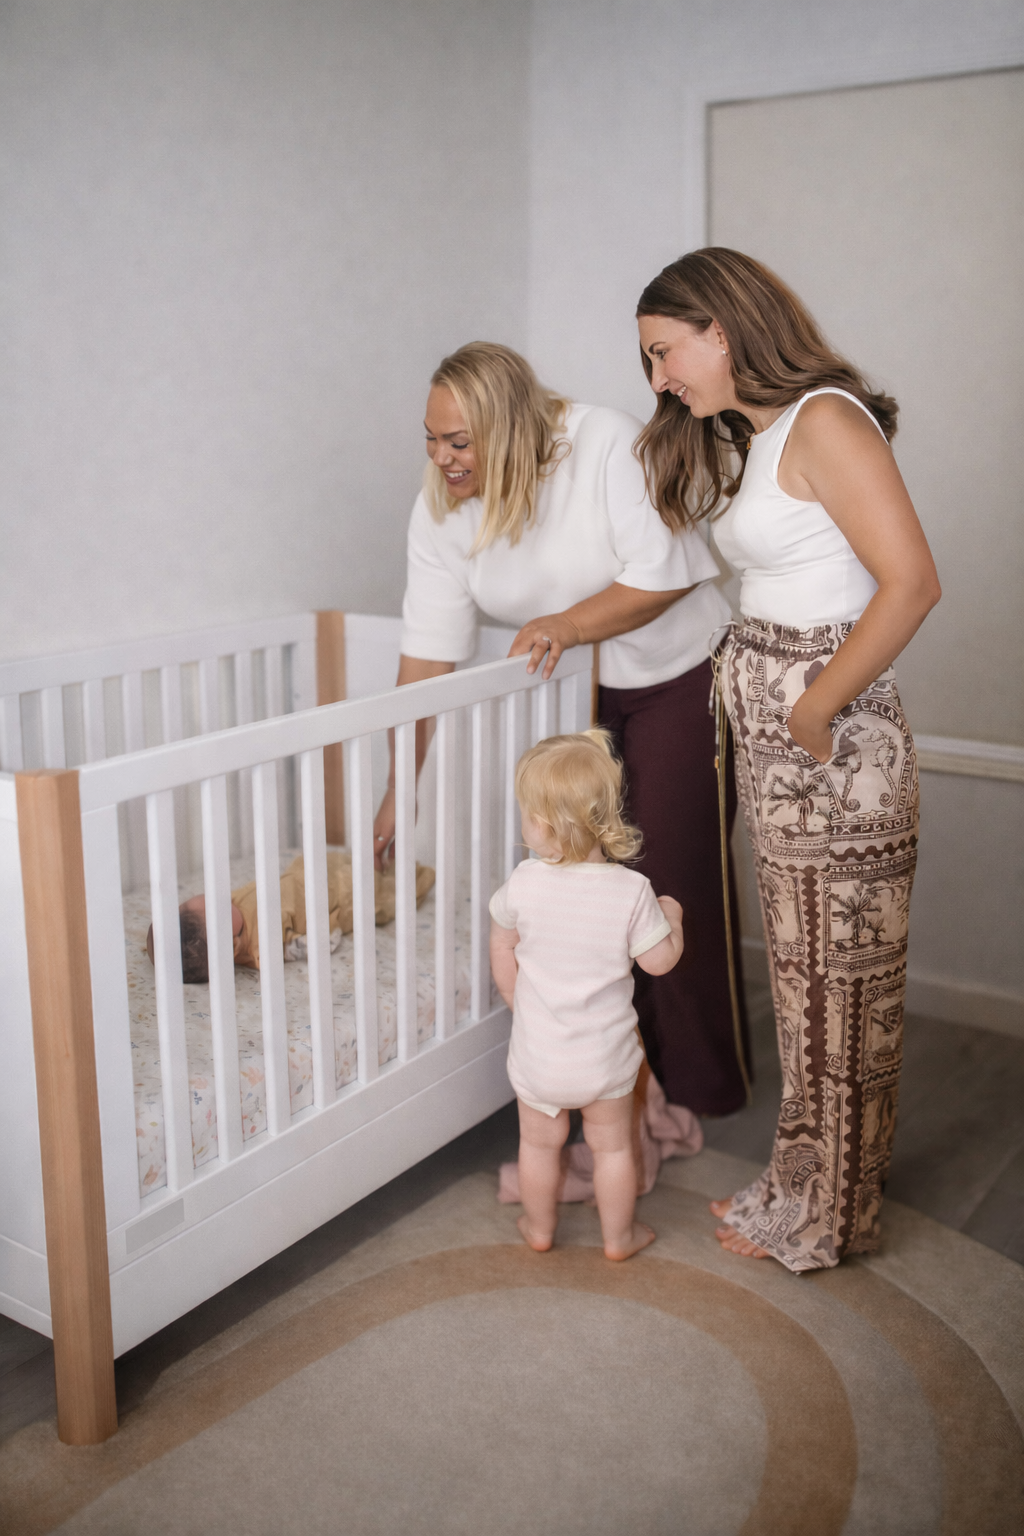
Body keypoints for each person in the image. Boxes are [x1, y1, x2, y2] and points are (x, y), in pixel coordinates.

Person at [635, 248, 941, 1272]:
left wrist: (811, 709)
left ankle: (833, 1216)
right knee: (806, 990)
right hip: (777, 744)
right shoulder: (754, 436)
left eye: (663, 352)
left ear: (720, 329)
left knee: (844, 997)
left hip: (833, 742)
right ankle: (796, 1188)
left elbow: (909, 582)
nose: (660, 377)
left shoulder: (824, 420)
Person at [373, 341, 750, 1118]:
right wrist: (395, 792)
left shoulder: (604, 443)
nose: (442, 459)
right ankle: (621, 1085)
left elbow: (665, 573)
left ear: (510, 430)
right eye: (431, 439)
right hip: (574, 702)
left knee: (669, 879)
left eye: (459, 441)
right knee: (583, 886)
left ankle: (700, 1090)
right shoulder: (443, 508)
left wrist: (567, 624)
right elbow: (424, 660)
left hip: (680, 677)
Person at [489, 731, 683, 1260]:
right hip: (605, 1060)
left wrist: (513, 997)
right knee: (613, 1149)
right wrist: (674, 915)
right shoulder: (631, 892)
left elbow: (501, 940)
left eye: (527, 815)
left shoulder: (524, 882)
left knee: (538, 1146)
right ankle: (618, 1238)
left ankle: (539, 1226)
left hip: (539, 1055)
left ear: (544, 826)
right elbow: (659, 961)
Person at [145, 852, 434, 982]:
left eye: (189, 904)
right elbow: (292, 948)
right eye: (214, 914)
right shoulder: (259, 944)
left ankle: (378, 860)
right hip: (335, 900)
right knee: (380, 894)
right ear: (232, 945)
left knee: (349, 861)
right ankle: (419, 878)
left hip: (306, 874)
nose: (212, 900)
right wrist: (314, 943)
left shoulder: (231, 906)